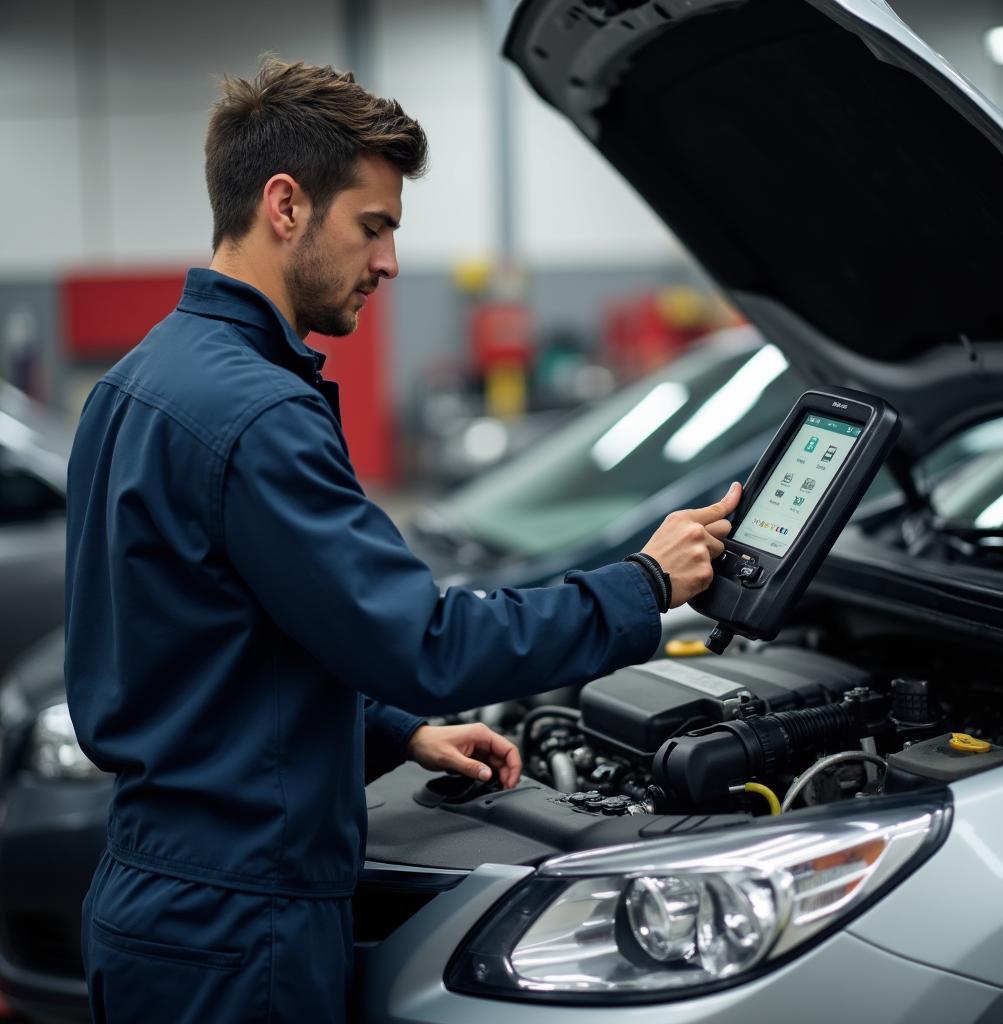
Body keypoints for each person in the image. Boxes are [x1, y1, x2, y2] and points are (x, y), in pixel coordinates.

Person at [64, 58, 740, 1023]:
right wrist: (641, 585)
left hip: (156, 897)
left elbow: (219, 647)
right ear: (285, 205)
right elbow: (425, 643)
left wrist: (396, 732)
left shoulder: (135, 383)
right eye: (373, 226)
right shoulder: (258, 413)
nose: (387, 262)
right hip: (239, 925)